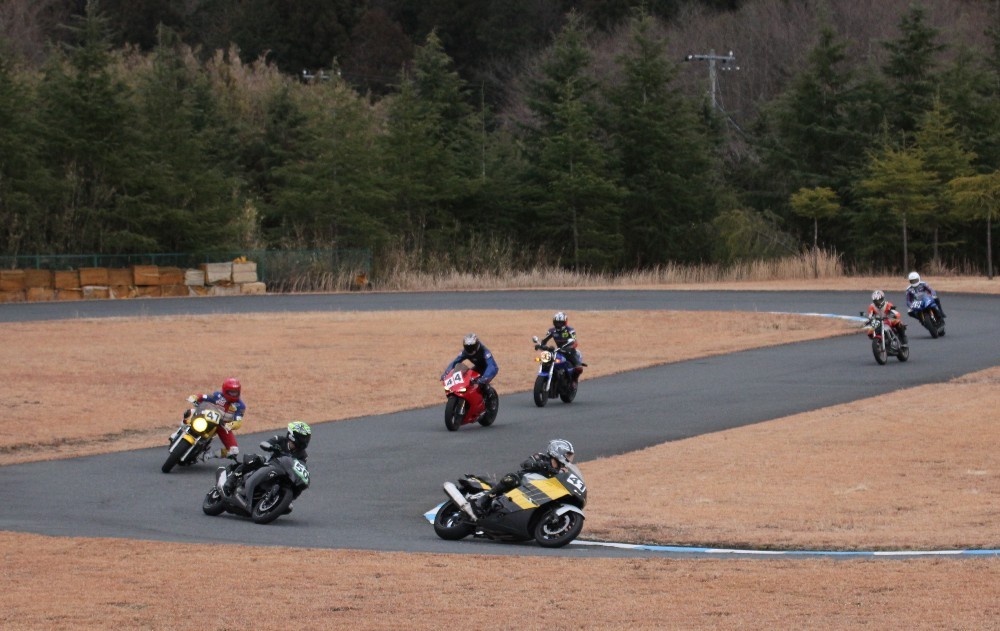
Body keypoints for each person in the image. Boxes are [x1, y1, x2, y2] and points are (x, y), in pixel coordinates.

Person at [475, 439, 576, 514]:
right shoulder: (541, 457)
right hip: (522, 481)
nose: (569, 458)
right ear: (558, 451)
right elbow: (525, 464)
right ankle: (484, 499)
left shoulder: (561, 472)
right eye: (567, 455)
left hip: (537, 493)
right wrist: (542, 465)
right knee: (510, 479)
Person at [232, 421, 312, 511]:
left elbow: (301, 467)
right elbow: (264, 443)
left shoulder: (303, 455)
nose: (305, 440)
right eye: (302, 437)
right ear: (293, 435)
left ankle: (279, 500)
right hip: (268, 462)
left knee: (289, 507)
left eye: (306, 438)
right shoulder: (281, 439)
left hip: (283, 473)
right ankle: (231, 480)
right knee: (253, 459)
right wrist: (271, 447)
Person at [182, 377, 246, 459]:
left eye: (236, 392)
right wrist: (195, 397)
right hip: (207, 417)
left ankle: (210, 455)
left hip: (223, 426)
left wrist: (231, 425)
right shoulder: (217, 396)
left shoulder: (240, 406)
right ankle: (181, 430)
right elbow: (204, 397)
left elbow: (238, 421)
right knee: (191, 412)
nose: (234, 394)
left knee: (234, 451)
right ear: (225, 390)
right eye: (231, 392)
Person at [442, 333, 499, 415]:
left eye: (472, 347)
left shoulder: (484, 351)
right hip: (478, 367)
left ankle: (491, 400)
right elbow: (455, 362)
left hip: (490, 369)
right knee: (467, 378)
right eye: (468, 347)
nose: (470, 349)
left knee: (483, 384)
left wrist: (484, 378)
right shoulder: (465, 352)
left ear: (477, 344)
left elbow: (491, 366)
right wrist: (446, 373)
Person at [537, 311, 583, 388]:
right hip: (558, 350)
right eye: (557, 322)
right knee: (546, 360)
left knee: (579, 368)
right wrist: (541, 346)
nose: (558, 324)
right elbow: (544, 340)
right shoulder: (552, 331)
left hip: (569, 351)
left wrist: (571, 347)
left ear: (565, 322)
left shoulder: (570, 330)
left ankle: (574, 380)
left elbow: (575, 342)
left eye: (560, 322)